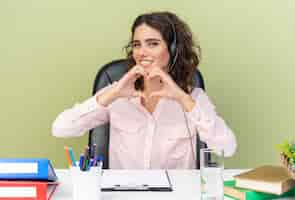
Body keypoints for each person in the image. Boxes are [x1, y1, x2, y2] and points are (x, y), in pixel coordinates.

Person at [52, 11, 237, 169]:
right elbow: (60, 128)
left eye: (153, 44)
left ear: (173, 50)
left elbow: (227, 148)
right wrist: (113, 93)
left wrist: (183, 99)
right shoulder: (116, 94)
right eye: (137, 44)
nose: (142, 52)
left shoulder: (193, 98)